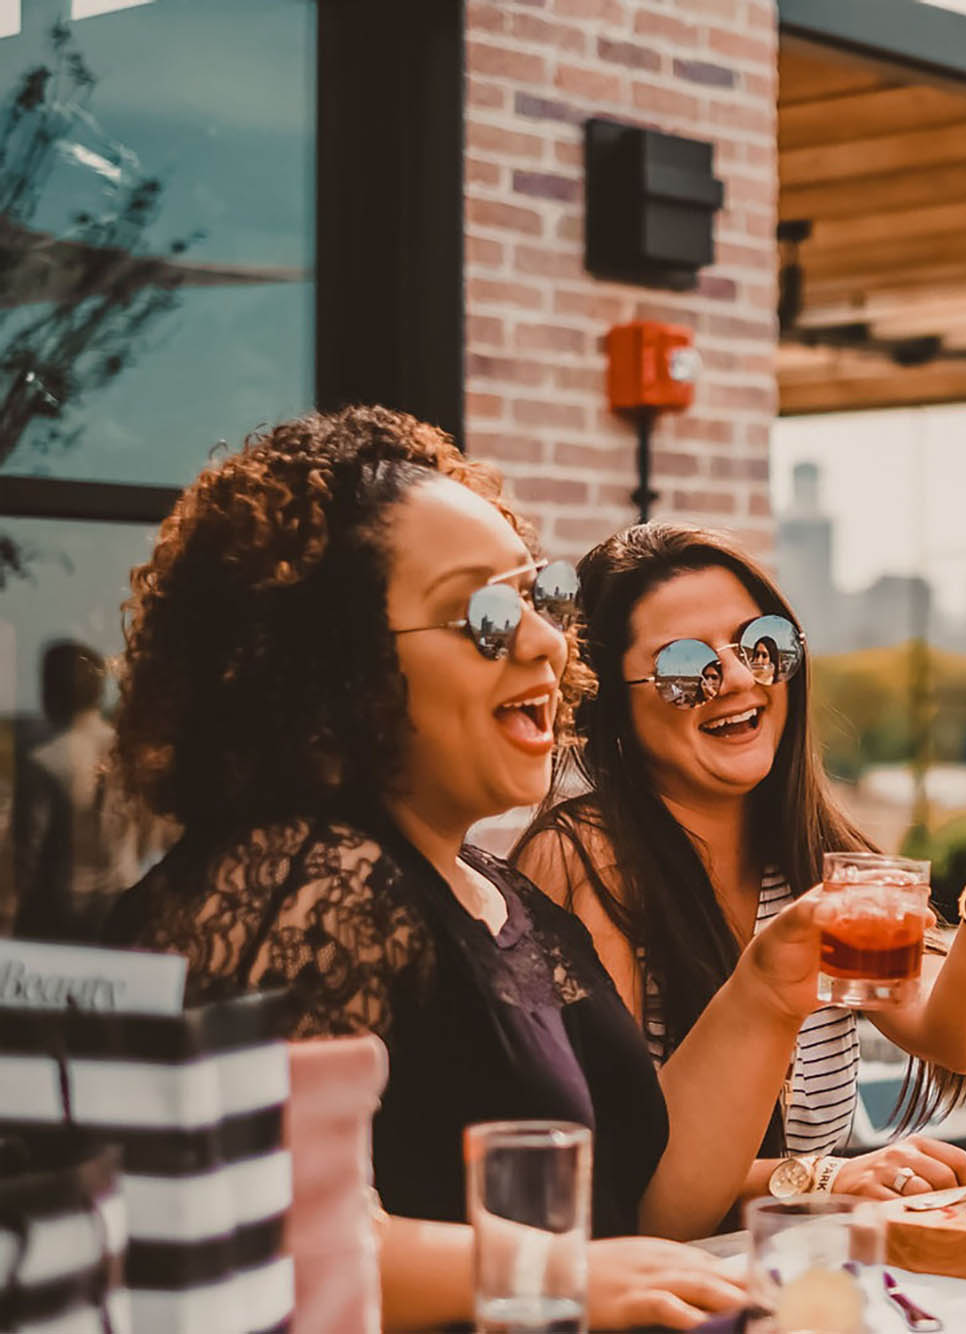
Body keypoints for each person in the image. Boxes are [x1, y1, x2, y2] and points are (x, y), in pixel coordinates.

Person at [103, 407, 828, 1329]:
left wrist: (766, 991)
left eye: (535, 597)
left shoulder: (496, 890)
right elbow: (240, 1234)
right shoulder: (300, 882)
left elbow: (646, 1211)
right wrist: (561, 1273)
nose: (544, 642)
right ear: (334, 669)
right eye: (482, 614)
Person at [514, 523, 966, 1202]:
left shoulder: (811, 858)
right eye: (685, 668)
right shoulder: (586, 861)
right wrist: (822, 1176)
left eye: (764, 645)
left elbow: (956, 1034)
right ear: (612, 705)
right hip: (672, 1284)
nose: (739, 678)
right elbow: (614, 1168)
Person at [11, 641, 164, 941]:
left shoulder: (45, 760)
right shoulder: (132, 751)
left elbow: (27, 854)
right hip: (124, 900)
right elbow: (152, 837)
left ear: (50, 689)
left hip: (60, 911)